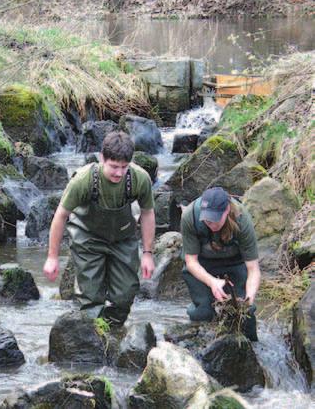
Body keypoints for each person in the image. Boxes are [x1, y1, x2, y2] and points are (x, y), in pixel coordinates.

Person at [43, 131, 156, 326]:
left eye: (124, 167)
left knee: (125, 294)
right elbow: (61, 216)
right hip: (88, 239)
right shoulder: (84, 180)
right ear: (102, 158)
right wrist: (52, 257)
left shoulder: (140, 179)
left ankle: (112, 333)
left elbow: (147, 213)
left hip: (123, 238)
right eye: (114, 166)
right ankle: (93, 338)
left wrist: (147, 253)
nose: (119, 173)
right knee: (91, 298)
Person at [180, 186, 260, 341]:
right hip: (201, 265)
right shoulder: (190, 216)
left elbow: (253, 269)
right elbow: (191, 261)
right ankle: (198, 346)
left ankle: (251, 349)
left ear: (227, 209)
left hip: (235, 263)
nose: (211, 223)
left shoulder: (242, 220)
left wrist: (249, 299)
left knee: (244, 312)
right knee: (203, 311)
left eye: (215, 218)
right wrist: (212, 282)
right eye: (207, 219)